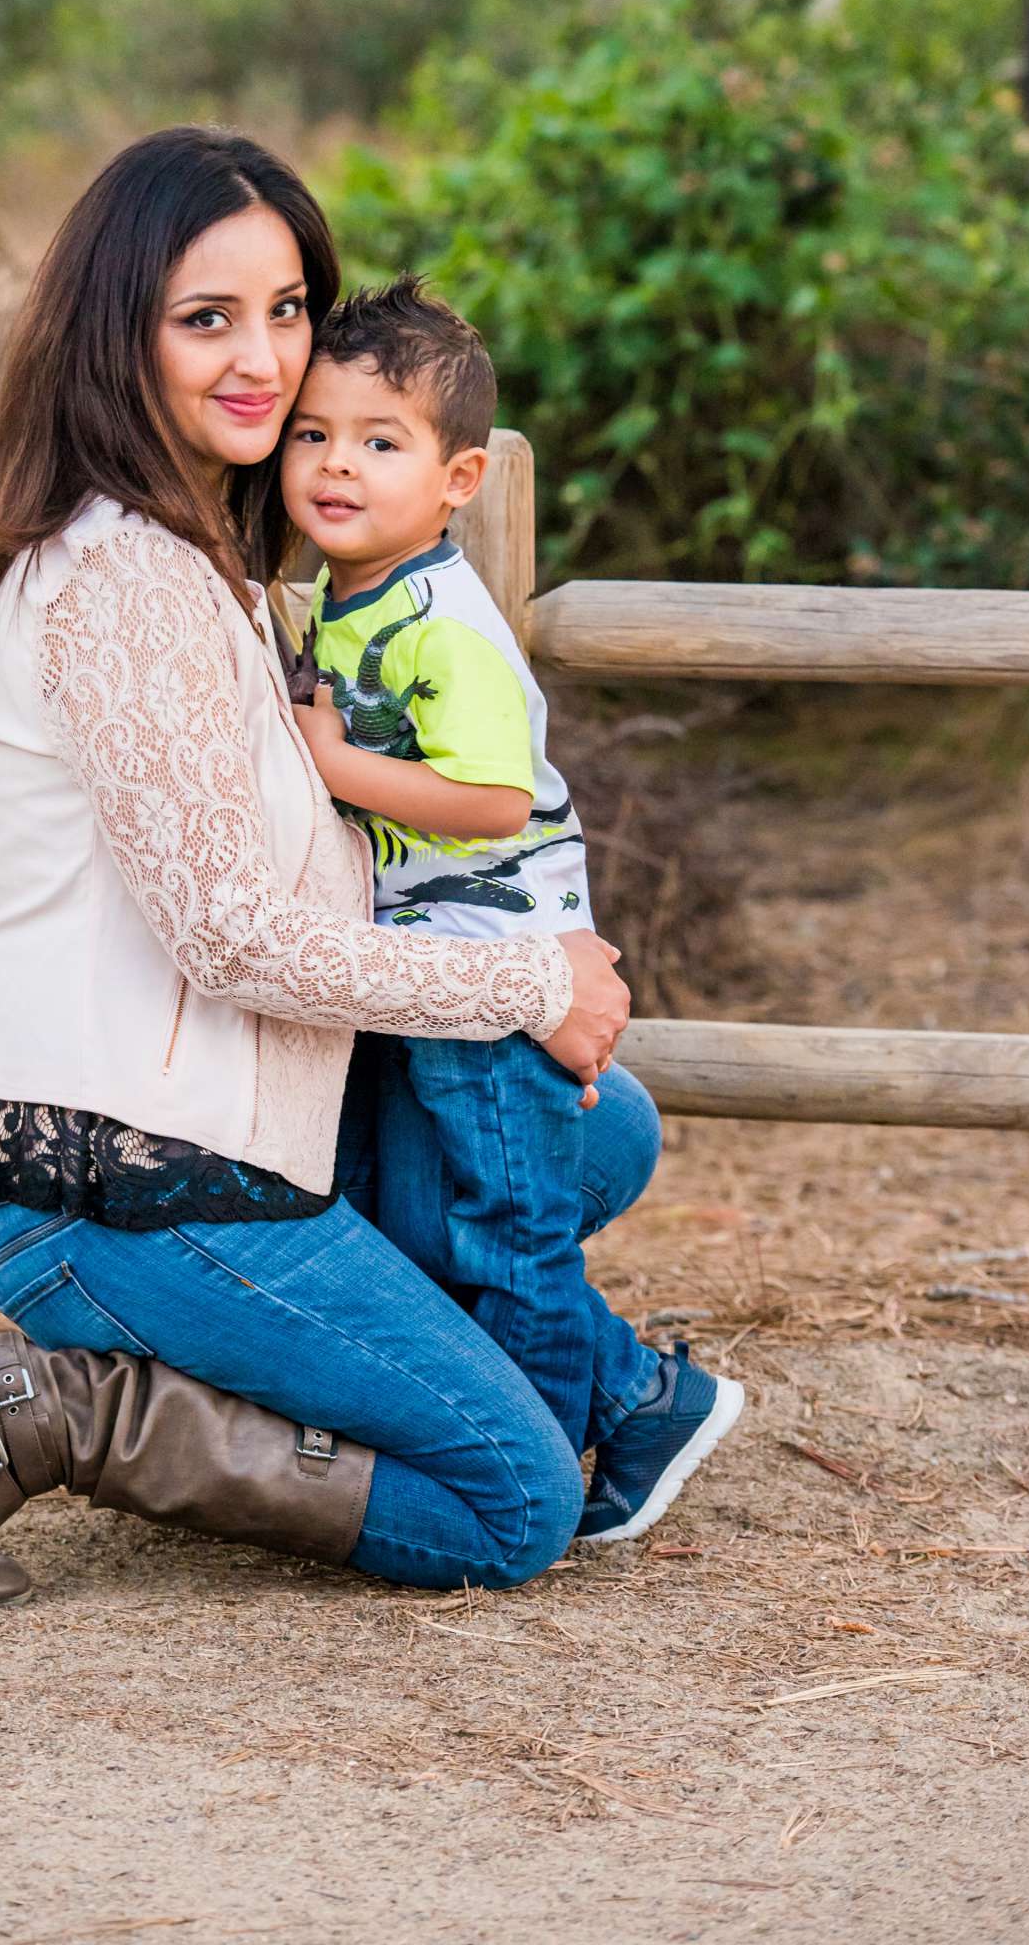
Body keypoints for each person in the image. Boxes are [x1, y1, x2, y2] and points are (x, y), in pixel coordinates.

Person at [0, 127, 633, 1621]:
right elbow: (234, 943)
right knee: (514, 1499)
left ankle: (370, 1371)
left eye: (287, 312)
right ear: (113, 333)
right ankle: (70, 1409)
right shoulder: (119, 580)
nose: (264, 358)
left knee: (594, 1136)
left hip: (254, 1141)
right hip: (123, 1189)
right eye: (208, 319)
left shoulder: (211, 559)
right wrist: (528, 978)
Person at [280, 278, 743, 1544]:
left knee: (507, 1237)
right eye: (314, 434)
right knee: (453, 1221)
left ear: (460, 477)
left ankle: (533, 1465)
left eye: (382, 443)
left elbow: (488, 800)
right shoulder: (343, 591)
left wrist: (330, 766)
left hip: (494, 972)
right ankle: (645, 1403)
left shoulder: (445, 622)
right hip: (431, 971)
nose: (337, 465)